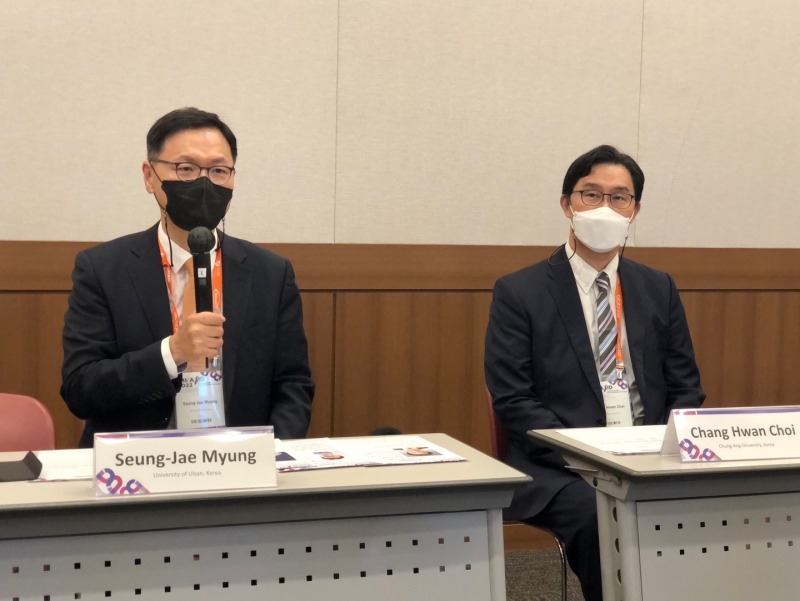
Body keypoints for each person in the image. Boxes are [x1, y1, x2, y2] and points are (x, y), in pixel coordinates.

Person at [484, 145, 704, 600]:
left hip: (649, 457)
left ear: (634, 211)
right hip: (561, 468)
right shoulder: (519, 291)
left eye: (619, 197)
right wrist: (590, 457)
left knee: (715, 506)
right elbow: (513, 400)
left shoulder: (658, 287)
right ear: (567, 204)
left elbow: (686, 388)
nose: (605, 207)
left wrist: (662, 452)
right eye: (591, 194)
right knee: (602, 516)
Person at [62, 107, 315, 447]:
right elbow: (80, 388)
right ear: (149, 176)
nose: (203, 183)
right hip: (136, 463)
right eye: (186, 169)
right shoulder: (103, 269)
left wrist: (271, 454)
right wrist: (172, 352)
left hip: (239, 462)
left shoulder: (270, 273)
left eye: (219, 171)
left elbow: (293, 384)